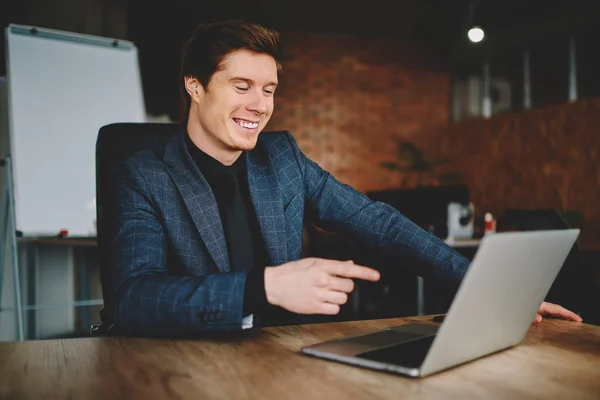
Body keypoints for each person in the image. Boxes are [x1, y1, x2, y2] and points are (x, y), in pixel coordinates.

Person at [101, 19, 581, 336]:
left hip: (279, 358)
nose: (259, 105)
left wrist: (487, 288)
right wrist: (263, 287)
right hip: (179, 365)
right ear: (195, 86)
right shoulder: (143, 172)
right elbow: (131, 298)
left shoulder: (282, 158)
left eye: (268, 89)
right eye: (241, 86)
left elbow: (381, 223)